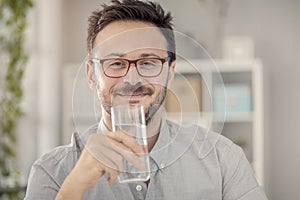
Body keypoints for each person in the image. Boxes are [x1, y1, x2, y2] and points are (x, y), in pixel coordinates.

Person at [25, 0, 268, 199]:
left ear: (170, 73)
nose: (131, 78)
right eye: (116, 63)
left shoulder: (223, 158)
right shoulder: (53, 172)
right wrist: (73, 189)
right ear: (91, 74)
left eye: (148, 62)